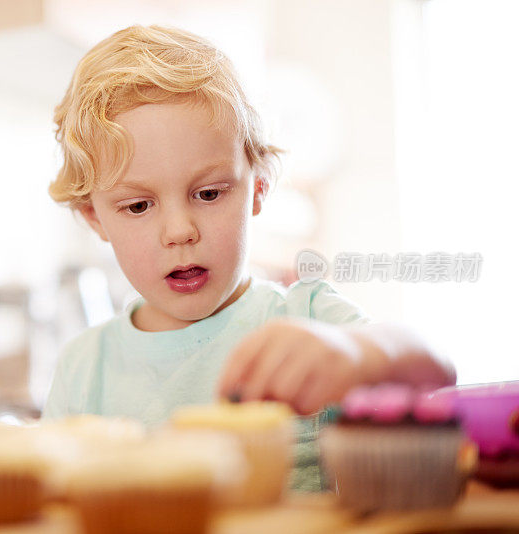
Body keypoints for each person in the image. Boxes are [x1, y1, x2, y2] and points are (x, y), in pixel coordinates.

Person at [42, 25, 455, 489]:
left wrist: (358, 355)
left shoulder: (306, 319)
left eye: (209, 192)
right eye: (138, 206)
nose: (180, 231)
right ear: (94, 217)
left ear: (257, 188)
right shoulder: (83, 369)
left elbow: (436, 365)